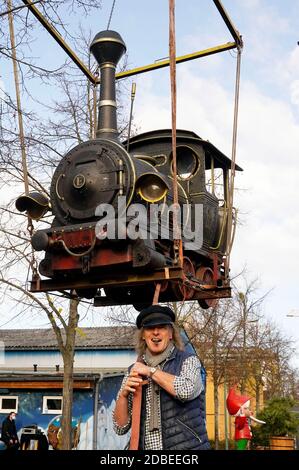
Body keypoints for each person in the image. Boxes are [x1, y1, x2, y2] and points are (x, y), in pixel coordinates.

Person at [113, 305, 210, 450]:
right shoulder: (134, 371)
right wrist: (124, 395)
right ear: (143, 336)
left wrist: (150, 371)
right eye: (150, 328)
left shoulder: (189, 360)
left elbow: (186, 390)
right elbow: (120, 428)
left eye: (162, 327)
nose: (156, 332)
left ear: (171, 333)